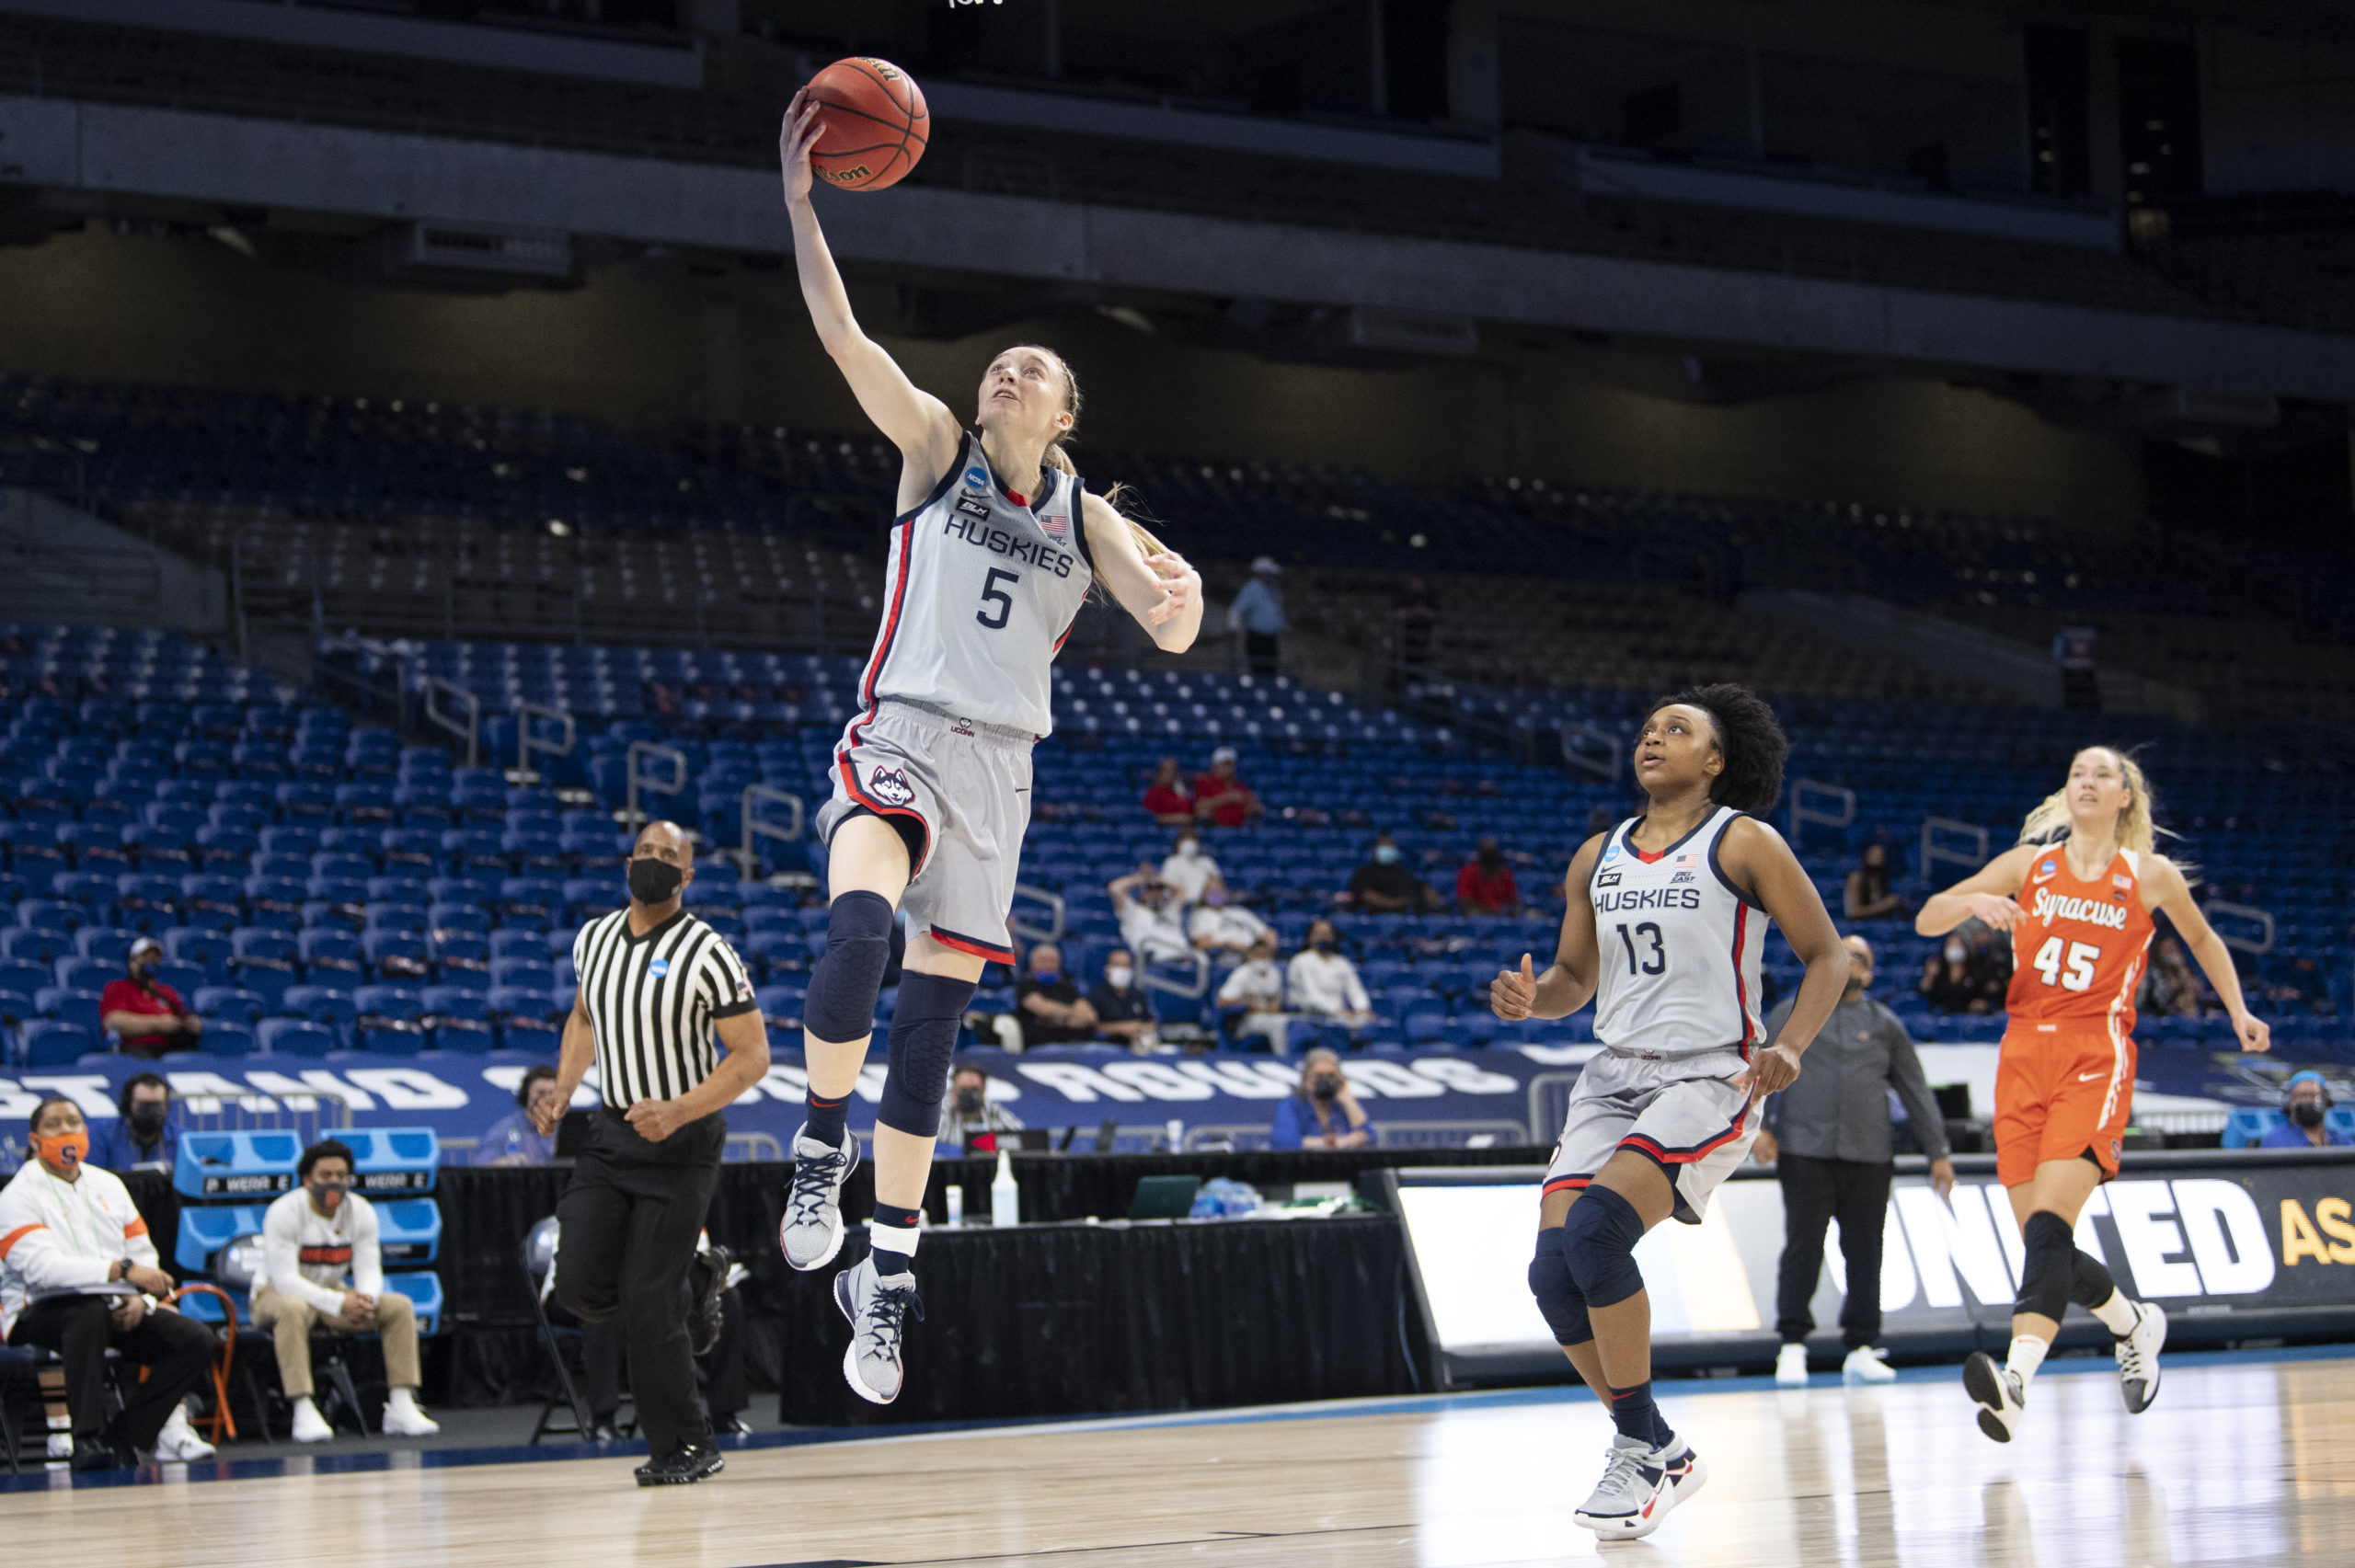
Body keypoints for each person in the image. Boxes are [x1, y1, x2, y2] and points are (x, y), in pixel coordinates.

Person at [773, 89, 1206, 1411]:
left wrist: (1174, 589)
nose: (1007, 373)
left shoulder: (1084, 518)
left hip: (1001, 776)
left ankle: (887, 1277)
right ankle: (815, 1147)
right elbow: (844, 336)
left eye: (1034, 370)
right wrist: (800, 207)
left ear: (1066, 411)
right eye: (999, 363)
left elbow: (1177, 630)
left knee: (930, 1036)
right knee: (856, 933)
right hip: (901, 734)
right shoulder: (935, 451)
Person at [1490, 683, 1850, 1541]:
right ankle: (1656, 1441)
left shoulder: (1746, 842)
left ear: (1715, 760)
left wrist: (1791, 1044)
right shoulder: (1596, 856)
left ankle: (1636, 1448)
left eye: (1677, 730)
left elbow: (1827, 954)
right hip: (1612, 1076)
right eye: (1648, 728)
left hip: (1708, 1076)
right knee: (1551, 1274)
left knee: (1597, 1234)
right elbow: (1575, 983)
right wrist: (1529, 997)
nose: (1654, 738)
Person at [1917, 744, 2269, 1443]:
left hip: (2094, 1051)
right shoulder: (2028, 865)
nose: (2087, 781)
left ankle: (2015, 1384)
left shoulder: (2148, 874)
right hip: (2020, 1053)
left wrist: (2237, 1010)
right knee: (2045, 1246)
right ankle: (2133, 1322)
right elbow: (1927, 916)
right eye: (2078, 772)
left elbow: (2203, 940)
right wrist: (1972, 900)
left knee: (2046, 1229)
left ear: (2124, 796)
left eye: (2102, 774)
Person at [539, 821, 768, 1484]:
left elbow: (752, 1056)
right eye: (647, 852)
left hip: (683, 1144)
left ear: (687, 876)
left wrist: (681, 1108)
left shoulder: (709, 951)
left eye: (670, 857)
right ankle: (701, 1280)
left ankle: (687, 1445)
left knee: (647, 1304)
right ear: (628, 863)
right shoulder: (594, 938)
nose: (656, 863)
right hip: (611, 1134)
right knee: (578, 1282)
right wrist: (563, 1088)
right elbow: (584, 1017)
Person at [1753, 935, 1955, 1387]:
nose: (1848, 964)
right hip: (1805, 1149)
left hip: (1870, 1153)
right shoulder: (1790, 1013)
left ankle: (1862, 1346)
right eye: (1840, 955)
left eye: (1858, 958)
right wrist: (1759, 1128)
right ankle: (1792, 1344)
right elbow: (1758, 1071)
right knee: (1803, 1246)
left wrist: (1937, 1154)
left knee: (1865, 1250)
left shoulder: (1885, 1024)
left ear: (1871, 971)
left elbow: (1915, 1091)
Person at [0, 1096, 218, 1469]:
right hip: (33, 1312)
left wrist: (141, 1301)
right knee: (86, 1313)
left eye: (74, 1121)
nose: (67, 1130)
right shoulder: (15, 1197)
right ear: (34, 1140)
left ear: (86, 1133)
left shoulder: (109, 1185)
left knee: (196, 1339)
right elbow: (42, 1270)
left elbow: (143, 1254)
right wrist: (122, 1272)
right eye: (55, 1124)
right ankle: (84, 1439)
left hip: (114, 1306)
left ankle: (122, 1438)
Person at [254, 1138, 441, 1443]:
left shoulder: (361, 1210)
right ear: (307, 1179)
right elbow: (285, 1278)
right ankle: (303, 1408)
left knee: (398, 1306)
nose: (335, 1182)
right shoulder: (284, 1211)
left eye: (341, 1176)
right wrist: (339, 1302)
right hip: (274, 1293)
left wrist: (366, 1298)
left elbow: (368, 1267)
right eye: (326, 1176)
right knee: (293, 1308)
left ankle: (402, 1405)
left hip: (332, 1292)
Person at [98, 935, 202, 1059]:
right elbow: (113, 1021)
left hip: (169, 1049)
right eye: (145, 957)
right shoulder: (117, 987)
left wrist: (190, 1023)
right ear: (132, 962)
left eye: (155, 958)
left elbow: (180, 1017)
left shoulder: (166, 991)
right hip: (133, 1049)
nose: (150, 962)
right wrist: (157, 1023)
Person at [1269, 1047, 1374, 1149]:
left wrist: (1348, 1100)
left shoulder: (1344, 1104)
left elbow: (1369, 1137)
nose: (1326, 1081)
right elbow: (1283, 1142)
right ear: (1306, 1079)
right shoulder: (1292, 1105)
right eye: (1319, 1076)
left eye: (1331, 1075)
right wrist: (1336, 1143)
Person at [1286, 920, 1374, 1033]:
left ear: (1333, 937)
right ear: (1309, 938)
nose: (1323, 938)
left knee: (1370, 1023)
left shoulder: (1341, 962)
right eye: (1318, 934)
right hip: (1309, 1015)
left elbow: (1355, 990)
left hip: (1339, 1016)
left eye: (1327, 934)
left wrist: (1362, 1009)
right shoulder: (1301, 961)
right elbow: (1311, 996)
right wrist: (1336, 1012)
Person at [88, 1071, 179, 1173]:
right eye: (144, 1104)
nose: (151, 1111)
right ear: (128, 1104)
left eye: (157, 1105)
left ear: (166, 1106)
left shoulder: (181, 1138)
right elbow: (92, 1178)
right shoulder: (102, 1134)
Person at [1013, 943, 1097, 1047]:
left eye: (1053, 960)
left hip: (1071, 1043)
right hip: (1038, 1044)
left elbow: (1089, 1016)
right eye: (1043, 960)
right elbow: (1043, 1009)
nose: (1048, 965)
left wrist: (1058, 1018)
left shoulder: (1067, 987)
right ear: (1032, 964)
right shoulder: (1026, 985)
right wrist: (1071, 1017)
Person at [1217, 934, 1291, 1052]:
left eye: (1265, 955)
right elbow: (1221, 1001)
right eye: (1258, 955)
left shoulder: (1275, 973)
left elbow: (1277, 1002)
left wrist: (1273, 1007)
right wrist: (1248, 1003)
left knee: (1290, 1021)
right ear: (1249, 956)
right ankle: (1283, 1058)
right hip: (1244, 1020)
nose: (1262, 959)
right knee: (1277, 1024)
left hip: (1268, 1016)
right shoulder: (1241, 973)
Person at [476, 1066, 561, 1167]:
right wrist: (507, 1163)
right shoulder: (505, 1128)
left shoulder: (565, 1128)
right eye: (540, 1093)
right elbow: (482, 1166)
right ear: (526, 1095)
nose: (546, 1099)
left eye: (551, 1093)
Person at [1109, 868, 1194, 964]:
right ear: (1143, 893)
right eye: (1150, 890)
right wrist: (1142, 878)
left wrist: (1159, 879)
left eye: (1158, 890)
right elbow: (1115, 888)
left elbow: (1182, 890)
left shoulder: (1169, 911)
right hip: (1156, 964)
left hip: (1184, 962)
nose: (1154, 894)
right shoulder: (1133, 911)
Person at [938, 1060, 1027, 1150]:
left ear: (983, 1090)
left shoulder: (992, 1109)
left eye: (974, 1089)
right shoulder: (941, 1110)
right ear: (953, 1089)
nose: (968, 1094)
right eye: (963, 1089)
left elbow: (1022, 1136)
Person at [1346, 830, 1440, 914]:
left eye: (1390, 845)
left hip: (1406, 914)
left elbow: (1419, 888)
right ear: (1375, 849)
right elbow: (1364, 894)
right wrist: (1393, 904)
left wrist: (1428, 893)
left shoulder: (1404, 871)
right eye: (1383, 846)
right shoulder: (1365, 871)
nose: (1387, 849)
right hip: (1377, 914)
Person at [1087, 950, 1159, 1051]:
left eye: (1126, 965)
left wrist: (1143, 1028)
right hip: (1105, 1047)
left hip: (1135, 1046)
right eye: (1117, 965)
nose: (1122, 969)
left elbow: (1151, 1021)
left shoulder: (1137, 994)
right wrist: (1121, 1028)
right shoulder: (1095, 995)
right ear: (1106, 970)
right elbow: (1091, 1027)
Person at [1228, 555, 1286, 677]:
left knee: (1271, 670)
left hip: (1271, 638)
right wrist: (1234, 627)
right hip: (1258, 638)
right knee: (1259, 669)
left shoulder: (1272, 589)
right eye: (1268, 573)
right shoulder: (1252, 588)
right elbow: (1236, 609)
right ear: (1261, 573)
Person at [2260, 1071, 2351, 1149]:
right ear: (2289, 1103)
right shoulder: (2275, 1141)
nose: (2308, 1101)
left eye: (2314, 1096)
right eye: (2302, 1096)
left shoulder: (2341, 1141)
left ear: (2326, 1102)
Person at [1189, 886, 1273, 957]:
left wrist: (1264, 952)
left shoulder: (1239, 911)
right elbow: (1201, 943)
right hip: (1225, 955)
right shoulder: (1202, 914)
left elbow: (1269, 934)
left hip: (1254, 954)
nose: (1216, 894)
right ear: (1204, 895)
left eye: (1219, 890)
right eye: (1212, 891)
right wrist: (1229, 943)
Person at [1193, 746, 1263, 828]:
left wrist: (1254, 805)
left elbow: (1257, 807)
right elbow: (1200, 806)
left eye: (1230, 765)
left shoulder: (1239, 786)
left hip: (1239, 829)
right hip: (1214, 828)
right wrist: (1227, 798)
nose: (1228, 769)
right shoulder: (1205, 782)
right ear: (1215, 766)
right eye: (1224, 765)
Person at [2137, 934, 2205, 1017]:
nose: (2171, 952)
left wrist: (2180, 967)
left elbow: (2197, 989)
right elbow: (2166, 991)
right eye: (2168, 949)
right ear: (2160, 951)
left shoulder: (2183, 967)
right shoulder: (2154, 968)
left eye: (2173, 948)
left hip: (2184, 1010)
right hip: (2160, 1011)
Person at [1455, 837, 1523, 917]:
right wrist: (1490, 912)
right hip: (1478, 915)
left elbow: (1513, 900)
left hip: (1501, 915)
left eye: (1492, 853)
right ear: (1480, 854)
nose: (1489, 857)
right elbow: (1464, 901)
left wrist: (1510, 910)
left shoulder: (1505, 873)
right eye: (1486, 853)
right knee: (1473, 913)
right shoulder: (1467, 872)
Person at [1917, 935, 1987, 1014]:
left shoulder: (1972, 969)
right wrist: (1929, 975)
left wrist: (1978, 1003)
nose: (1954, 948)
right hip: (1941, 1017)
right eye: (1951, 945)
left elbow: (1981, 994)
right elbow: (1924, 991)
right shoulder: (1938, 968)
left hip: (1968, 1015)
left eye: (1958, 945)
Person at [1844, 842, 1910, 921]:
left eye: (1881, 855)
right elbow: (1853, 913)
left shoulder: (1883, 880)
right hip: (1859, 926)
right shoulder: (1856, 878)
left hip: (1880, 925)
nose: (1878, 857)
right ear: (1866, 856)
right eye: (1874, 854)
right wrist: (1884, 905)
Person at [1158, 826, 1224, 905]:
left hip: (1204, 905)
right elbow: (1166, 887)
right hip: (1179, 905)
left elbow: (1219, 885)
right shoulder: (1171, 862)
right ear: (1179, 842)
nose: (1189, 842)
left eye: (1192, 839)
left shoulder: (1207, 862)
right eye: (1186, 839)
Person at [1142, 757, 1196, 828]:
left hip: (1187, 829)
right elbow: (1150, 818)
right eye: (1167, 771)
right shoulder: (1154, 792)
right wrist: (1177, 819)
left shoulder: (1181, 791)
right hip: (1164, 831)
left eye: (1173, 771)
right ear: (1160, 772)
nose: (1170, 774)